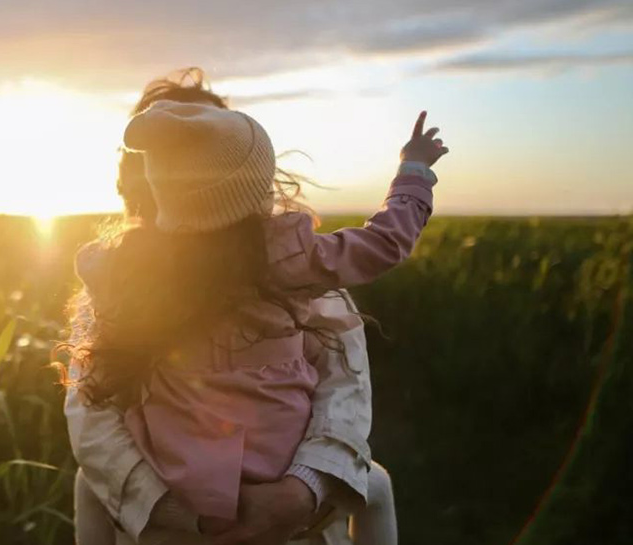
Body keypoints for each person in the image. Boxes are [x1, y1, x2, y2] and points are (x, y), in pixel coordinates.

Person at [64, 68, 443, 544]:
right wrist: (414, 173)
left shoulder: (123, 274)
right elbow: (385, 242)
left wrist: (298, 492)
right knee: (378, 485)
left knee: (87, 485)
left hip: (196, 485)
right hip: (250, 484)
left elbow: (344, 389)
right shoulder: (295, 262)